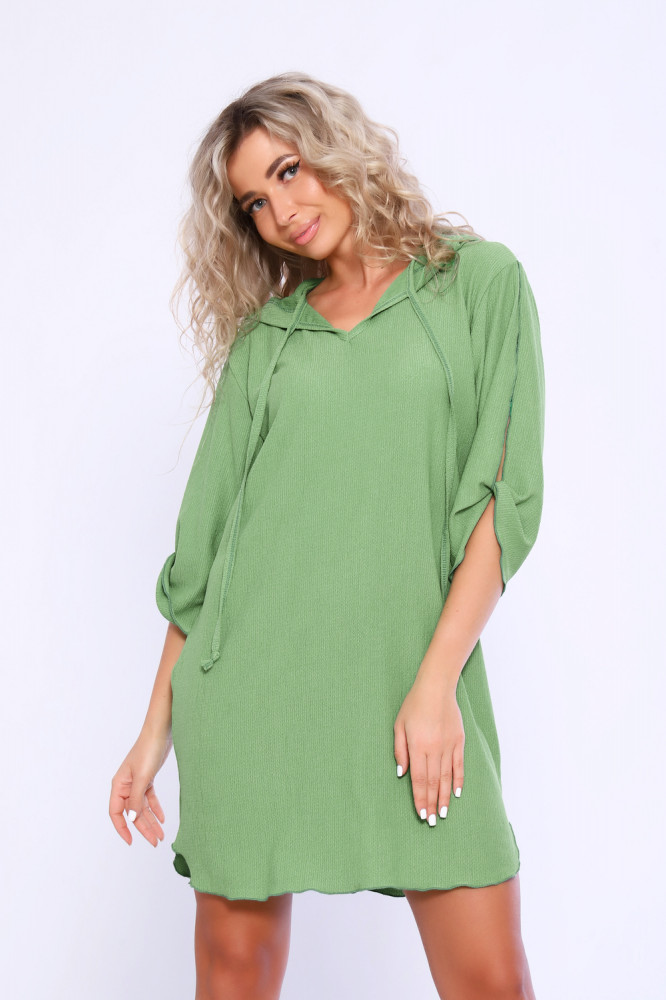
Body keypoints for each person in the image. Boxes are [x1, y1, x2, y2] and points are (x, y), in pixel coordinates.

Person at [109, 72, 545, 1000]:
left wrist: (436, 685)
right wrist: (154, 735)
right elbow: (203, 554)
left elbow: (504, 503)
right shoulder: (268, 342)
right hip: (253, 707)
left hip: (412, 693)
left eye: (290, 171)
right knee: (233, 978)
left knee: (491, 982)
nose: (282, 212)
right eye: (254, 203)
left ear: (340, 147)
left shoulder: (477, 284)